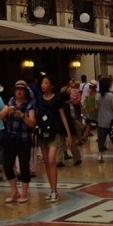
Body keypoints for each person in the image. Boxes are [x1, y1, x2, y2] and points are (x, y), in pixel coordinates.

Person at [0, 79, 37, 204]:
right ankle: (14, 191)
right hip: (11, 138)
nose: (19, 92)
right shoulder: (10, 102)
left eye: (21, 90)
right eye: (17, 90)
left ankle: (24, 193)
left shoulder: (30, 104)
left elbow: (32, 123)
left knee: (24, 166)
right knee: (7, 165)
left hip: (24, 139)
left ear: (25, 92)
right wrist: (8, 110)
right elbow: (0, 116)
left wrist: (22, 116)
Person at [36, 74, 73, 202]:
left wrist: (68, 134)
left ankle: (54, 190)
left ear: (51, 86)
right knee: (46, 161)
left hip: (55, 132)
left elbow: (63, 116)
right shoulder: (39, 100)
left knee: (52, 160)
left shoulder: (57, 100)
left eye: (46, 83)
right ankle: (52, 189)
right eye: (42, 83)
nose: (43, 85)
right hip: (42, 132)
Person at [95, 76, 113, 162]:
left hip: (101, 121)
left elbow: (96, 108)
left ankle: (100, 155)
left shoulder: (97, 95)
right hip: (111, 120)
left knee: (101, 139)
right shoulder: (111, 95)